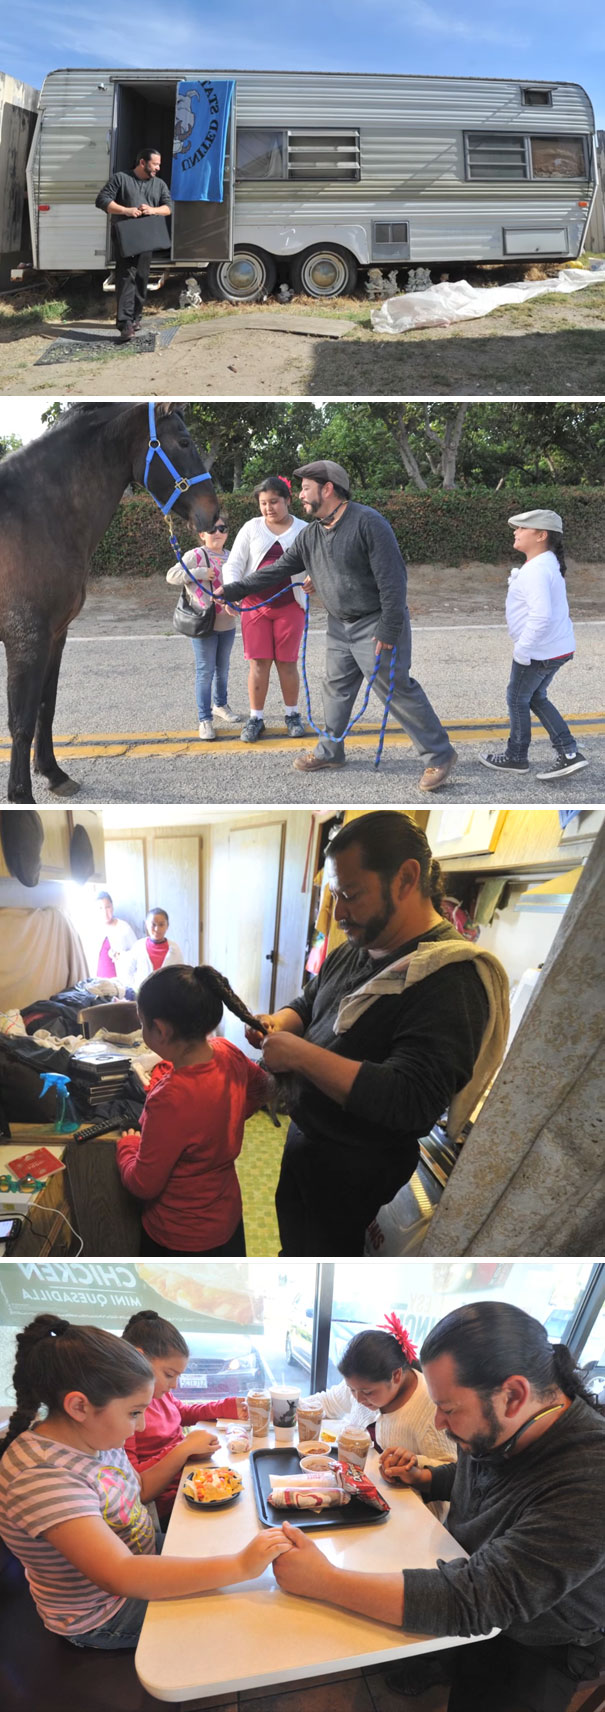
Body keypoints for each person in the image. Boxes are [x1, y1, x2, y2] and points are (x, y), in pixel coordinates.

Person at [273, 1301, 605, 1712]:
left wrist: (324, 1580)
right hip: (468, 1572)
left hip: (540, 1637)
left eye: (447, 1409)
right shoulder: (507, 1423)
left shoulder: (591, 1475)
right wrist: (426, 1479)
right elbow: (480, 1480)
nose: (439, 1423)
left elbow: (482, 1598)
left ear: (514, 1394)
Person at [245, 811, 508, 1256]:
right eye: (335, 894)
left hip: (356, 1167)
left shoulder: (449, 977)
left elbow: (411, 1099)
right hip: (307, 1138)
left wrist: (300, 1056)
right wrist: (280, 1023)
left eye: (350, 895)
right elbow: (311, 1003)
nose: (340, 912)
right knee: (293, 1247)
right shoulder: (356, 946)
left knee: (326, 1254)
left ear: (406, 878)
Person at [0, 1314, 290, 1652]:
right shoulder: (42, 1478)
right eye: (135, 1413)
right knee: (242, 1611)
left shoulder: (94, 1439)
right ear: (79, 1406)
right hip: (104, 1612)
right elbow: (120, 1574)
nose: (139, 1428)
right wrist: (240, 1566)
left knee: (237, 1540)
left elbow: (133, 1487)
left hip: (142, 1552)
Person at [220, 460, 456, 789]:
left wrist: (389, 629)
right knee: (336, 688)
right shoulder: (312, 534)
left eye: (306, 489)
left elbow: (393, 582)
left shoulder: (368, 523)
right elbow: (277, 570)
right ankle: (331, 751)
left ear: (327, 489)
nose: (300, 495)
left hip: (376, 623)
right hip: (338, 625)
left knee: (395, 690)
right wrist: (233, 589)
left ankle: (439, 756)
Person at [115, 963, 271, 1257]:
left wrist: (127, 1145)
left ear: (160, 1030)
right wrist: (231, 1113)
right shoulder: (228, 1051)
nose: (142, 1028)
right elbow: (261, 1089)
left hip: (179, 1236)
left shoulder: (169, 1099)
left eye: (142, 1023)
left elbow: (142, 1183)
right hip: (227, 1221)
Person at [480, 509, 588, 780]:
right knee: (535, 697)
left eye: (521, 528)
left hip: (540, 651)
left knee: (517, 699)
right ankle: (569, 752)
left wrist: (523, 649)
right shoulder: (546, 562)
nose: (516, 532)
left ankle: (517, 757)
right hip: (556, 647)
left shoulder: (538, 570)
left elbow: (541, 615)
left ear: (541, 535)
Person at [121, 1310, 247, 1522]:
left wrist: (223, 1408)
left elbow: (179, 1413)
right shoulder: (125, 1412)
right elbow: (139, 1484)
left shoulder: (158, 1393)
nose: (174, 1385)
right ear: (139, 1359)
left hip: (188, 1482)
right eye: (169, 1375)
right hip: (170, 1506)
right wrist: (184, 1449)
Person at [222, 476, 307, 743]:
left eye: (274, 502)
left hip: (290, 606)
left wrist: (314, 578)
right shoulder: (251, 528)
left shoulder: (305, 530)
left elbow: (318, 563)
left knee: (287, 662)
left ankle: (292, 714)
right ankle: (256, 717)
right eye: (263, 503)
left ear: (288, 501)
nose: (269, 508)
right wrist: (230, 591)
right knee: (258, 663)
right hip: (254, 607)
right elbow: (233, 564)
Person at [166, 515, 241, 741]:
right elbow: (171, 575)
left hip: (227, 623)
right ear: (202, 534)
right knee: (205, 670)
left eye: (222, 528)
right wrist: (198, 573)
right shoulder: (196, 555)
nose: (217, 532)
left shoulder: (231, 557)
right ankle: (204, 719)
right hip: (203, 622)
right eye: (211, 528)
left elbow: (240, 584)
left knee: (223, 668)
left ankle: (220, 705)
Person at [95, 147, 172, 342]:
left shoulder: (159, 184)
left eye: (159, 164)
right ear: (142, 163)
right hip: (126, 236)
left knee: (141, 277)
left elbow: (169, 208)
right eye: (155, 164)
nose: (158, 168)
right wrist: (126, 210)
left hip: (146, 236)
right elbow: (102, 200)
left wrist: (153, 210)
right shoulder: (121, 178)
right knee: (126, 277)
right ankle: (125, 324)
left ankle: (136, 318)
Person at [124, 908, 184, 992]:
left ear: (167, 926)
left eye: (161, 924)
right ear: (146, 925)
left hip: (167, 996)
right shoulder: (138, 946)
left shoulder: (175, 949)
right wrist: (136, 990)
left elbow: (180, 975)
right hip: (142, 996)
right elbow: (128, 972)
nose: (157, 929)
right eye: (153, 924)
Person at [95, 891, 136, 980]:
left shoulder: (124, 927)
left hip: (120, 982)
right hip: (98, 982)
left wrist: (121, 955)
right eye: (100, 908)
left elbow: (136, 953)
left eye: (107, 907)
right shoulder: (94, 929)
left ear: (112, 906)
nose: (105, 912)